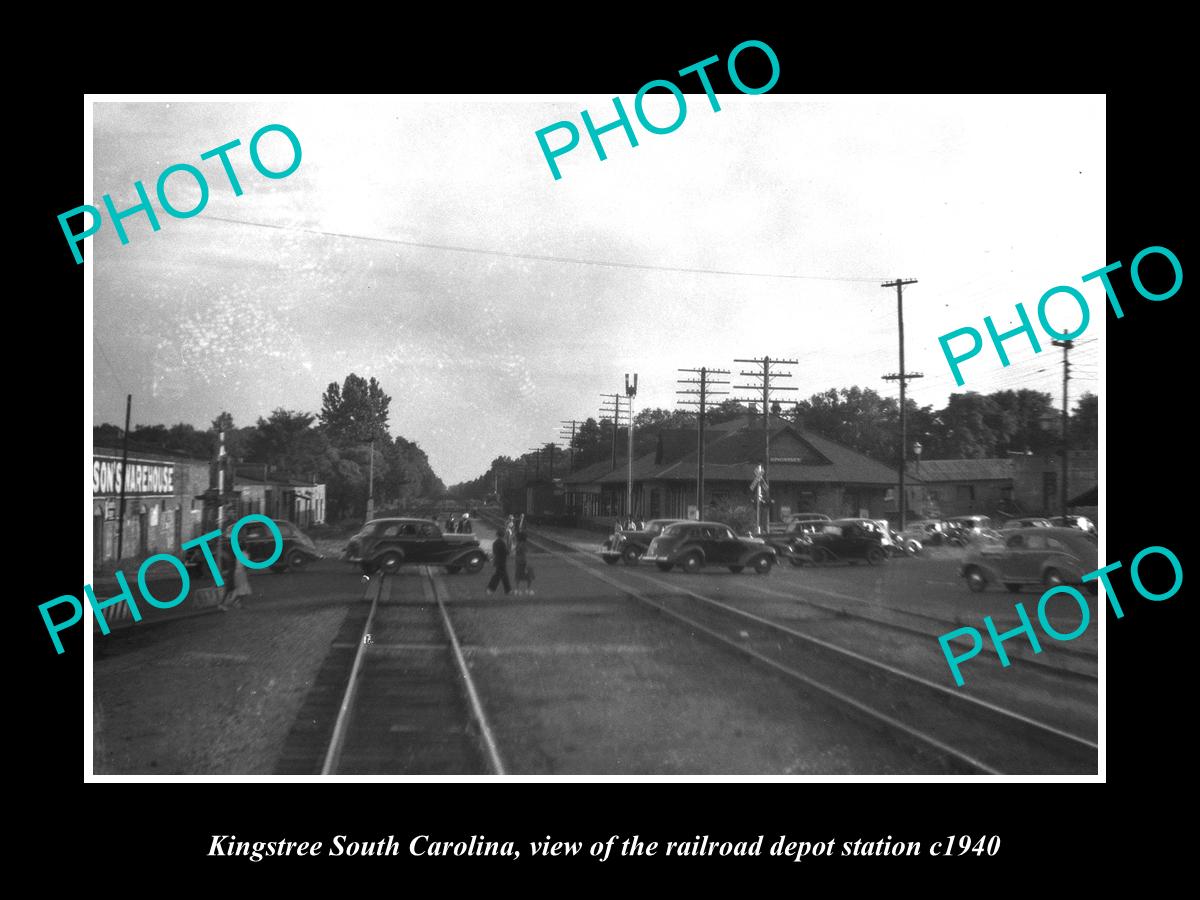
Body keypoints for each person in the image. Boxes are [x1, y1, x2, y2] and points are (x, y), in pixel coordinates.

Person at [486, 527, 512, 596]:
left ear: (497, 535)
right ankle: (491, 589)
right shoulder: (502, 543)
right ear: (503, 535)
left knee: (503, 576)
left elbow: (495, 552)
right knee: (498, 576)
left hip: (497, 561)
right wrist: (509, 549)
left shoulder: (495, 543)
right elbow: (507, 552)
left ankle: (508, 590)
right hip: (502, 562)